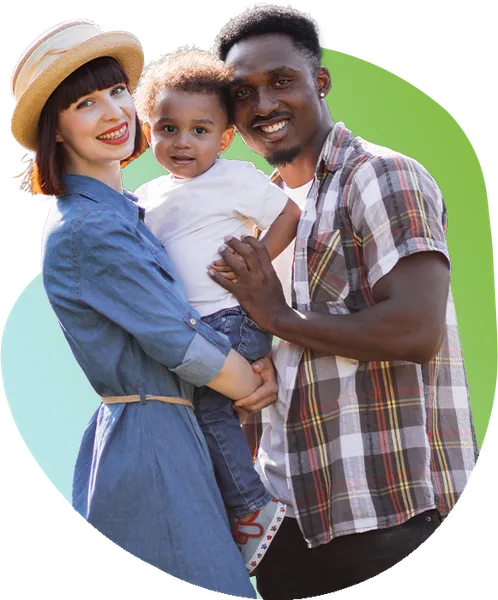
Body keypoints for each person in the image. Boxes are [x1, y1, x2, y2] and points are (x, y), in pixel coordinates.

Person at [207, 4, 480, 598]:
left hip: (393, 519)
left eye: (281, 81)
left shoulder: (380, 176)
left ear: (320, 82)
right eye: (242, 93)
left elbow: (414, 330)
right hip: (291, 531)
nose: (263, 105)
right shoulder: (258, 215)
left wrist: (275, 315)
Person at [8, 17, 275, 599]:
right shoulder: (90, 227)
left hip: (174, 427)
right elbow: (174, 338)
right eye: (85, 103)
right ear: (55, 130)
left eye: (117, 92)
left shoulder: (126, 210)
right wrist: (253, 379)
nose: (113, 114)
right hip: (151, 439)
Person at [132, 46, 299, 572]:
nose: (183, 142)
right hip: (187, 327)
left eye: (201, 130)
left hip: (230, 318)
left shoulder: (234, 178)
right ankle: (213, 512)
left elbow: (289, 212)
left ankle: (252, 508)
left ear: (224, 138)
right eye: (168, 128)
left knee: (209, 411)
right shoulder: (147, 195)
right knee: (185, 416)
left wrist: (254, 264)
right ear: (148, 130)